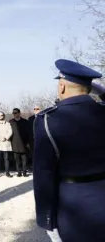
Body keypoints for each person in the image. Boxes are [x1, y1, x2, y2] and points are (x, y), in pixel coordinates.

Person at [34, 59, 105, 242]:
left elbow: (44, 174)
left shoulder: (48, 119)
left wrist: (46, 219)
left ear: (62, 86)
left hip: (75, 209)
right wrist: (101, 92)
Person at [9, 108, 31, 177]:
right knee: (17, 159)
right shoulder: (11, 122)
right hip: (15, 143)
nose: (14, 114)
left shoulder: (25, 121)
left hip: (24, 143)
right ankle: (19, 172)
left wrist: (28, 142)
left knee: (24, 159)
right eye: (13, 113)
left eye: (16, 113)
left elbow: (28, 133)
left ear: (19, 113)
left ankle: (24, 172)